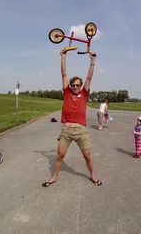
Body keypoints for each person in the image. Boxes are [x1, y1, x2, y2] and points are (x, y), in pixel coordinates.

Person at [42, 47, 102, 187]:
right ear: (70, 85)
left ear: (81, 86)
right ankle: (54, 177)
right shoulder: (67, 92)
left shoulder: (85, 93)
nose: (75, 87)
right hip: (67, 130)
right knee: (60, 156)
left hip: (81, 131)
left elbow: (89, 77)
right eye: (73, 85)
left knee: (87, 156)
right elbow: (64, 73)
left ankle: (93, 175)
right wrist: (63, 56)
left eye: (77, 85)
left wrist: (93, 60)